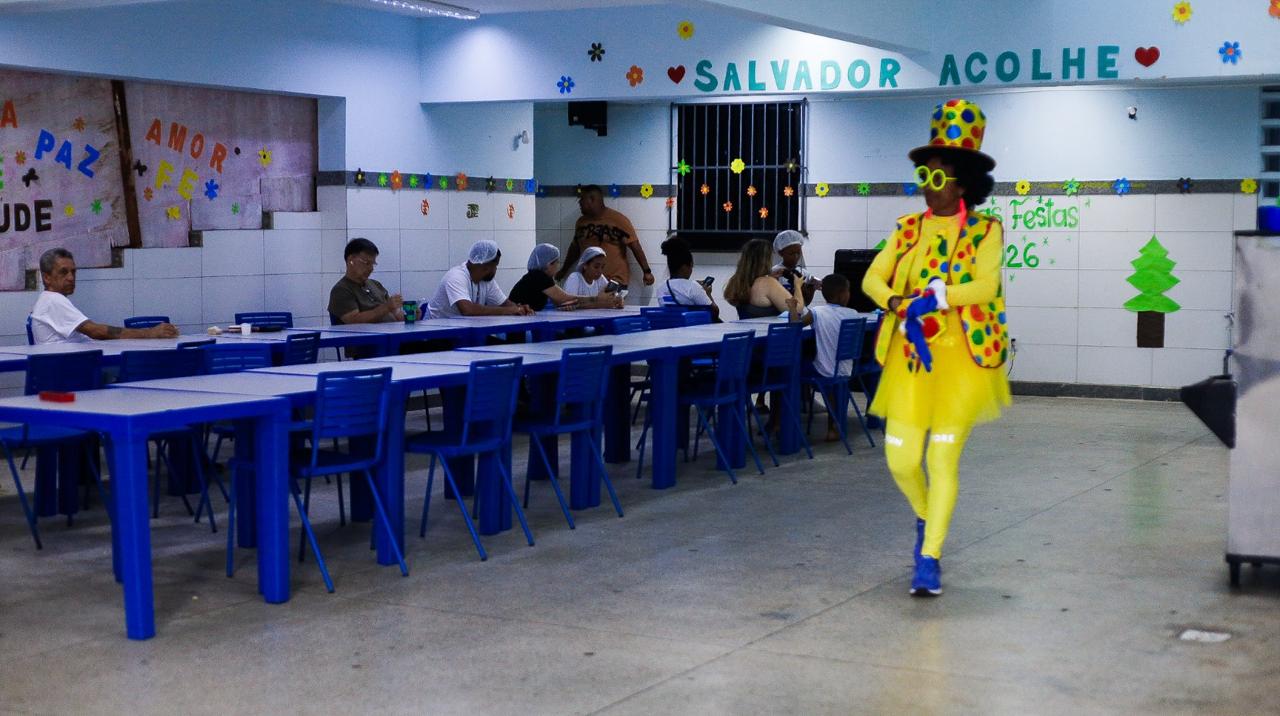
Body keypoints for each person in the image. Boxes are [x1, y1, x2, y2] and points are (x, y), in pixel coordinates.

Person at [861, 98, 1010, 597]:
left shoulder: (986, 230)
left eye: (939, 176)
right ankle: (926, 517)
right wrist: (897, 302)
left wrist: (940, 296)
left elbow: (986, 286)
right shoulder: (907, 228)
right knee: (901, 461)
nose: (928, 184)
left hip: (962, 365)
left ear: (963, 183)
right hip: (908, 362)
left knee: (943, 461)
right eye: (924, 175)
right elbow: (872, 278)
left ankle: (930, 557)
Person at [30, 247, 178, 344]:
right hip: (69, 375)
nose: (71, 277)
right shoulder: (53, 300)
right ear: (47, 277)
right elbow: (96, 332)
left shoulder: (48, 301)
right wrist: (150, 333)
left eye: (73, 272)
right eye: (63, 272)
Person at [789, 274, 863, 441]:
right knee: (833, 381)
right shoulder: (854, 314)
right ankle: (833, 425)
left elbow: (795, 327)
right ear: (842, 294)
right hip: (847, 368)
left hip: (823, 370)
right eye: (848, 291)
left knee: (794, 368)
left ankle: (788, 423)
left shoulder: (817, 312)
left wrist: (793, 308)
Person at [556, 185, 654, 290]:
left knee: (607, 300)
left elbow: (635, 246)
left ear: (592, 199)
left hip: (614, 280)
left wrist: (647, 271)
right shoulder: (581, 222)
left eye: (582, 199)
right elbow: (575, 249)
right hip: (589, 282)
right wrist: (563, 271)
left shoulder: (618, 220)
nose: (579, 203)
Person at [427, 239, 533, 318]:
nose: (496, 270)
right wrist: (509, 310)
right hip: (437, 334)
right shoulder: (456, 277)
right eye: (496, 266)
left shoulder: (487, 281)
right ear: (486, 267)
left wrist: (520, 309)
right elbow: (468, 310)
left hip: (464, 332)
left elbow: (505, 304)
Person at [509, 244, 622, 311]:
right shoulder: (539, 276)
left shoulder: (541, 277)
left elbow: (562, 303)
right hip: (516, 317)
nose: (558, 266)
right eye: (557, 262)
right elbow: (566, 299)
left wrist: (612, 300)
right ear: (549, 264)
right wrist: (598, 299)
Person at [723, 238, 804, 320]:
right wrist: (797, 286)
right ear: (765, 260)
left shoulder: (736, 282)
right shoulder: (768, 283)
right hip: (768, 328)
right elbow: (797, 310)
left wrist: (769, 277)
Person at [328, 237, 403, 324]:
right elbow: (353, 321)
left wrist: (412, 315)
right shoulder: (341, 290)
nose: (371, 269)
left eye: (373, 264)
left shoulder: (376, 285)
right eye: (367, 263)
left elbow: (397, 315)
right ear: (351, 260)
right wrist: (386, 307)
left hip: (393, 331)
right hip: (369, 333)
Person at [655, 236, 719, 321]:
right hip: (693, 327)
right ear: (684, 267)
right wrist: (707, 294)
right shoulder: (692, 288)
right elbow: (714, 312)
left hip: (669, 327)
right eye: (691, 266)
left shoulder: (661, 288)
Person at [772, 230, 820, 305]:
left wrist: (813, 287)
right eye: (791, 253)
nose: (796, 256)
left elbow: (807, 301)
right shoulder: (775, 272)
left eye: (798, 252)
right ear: (781, 253)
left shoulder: (804, 273)